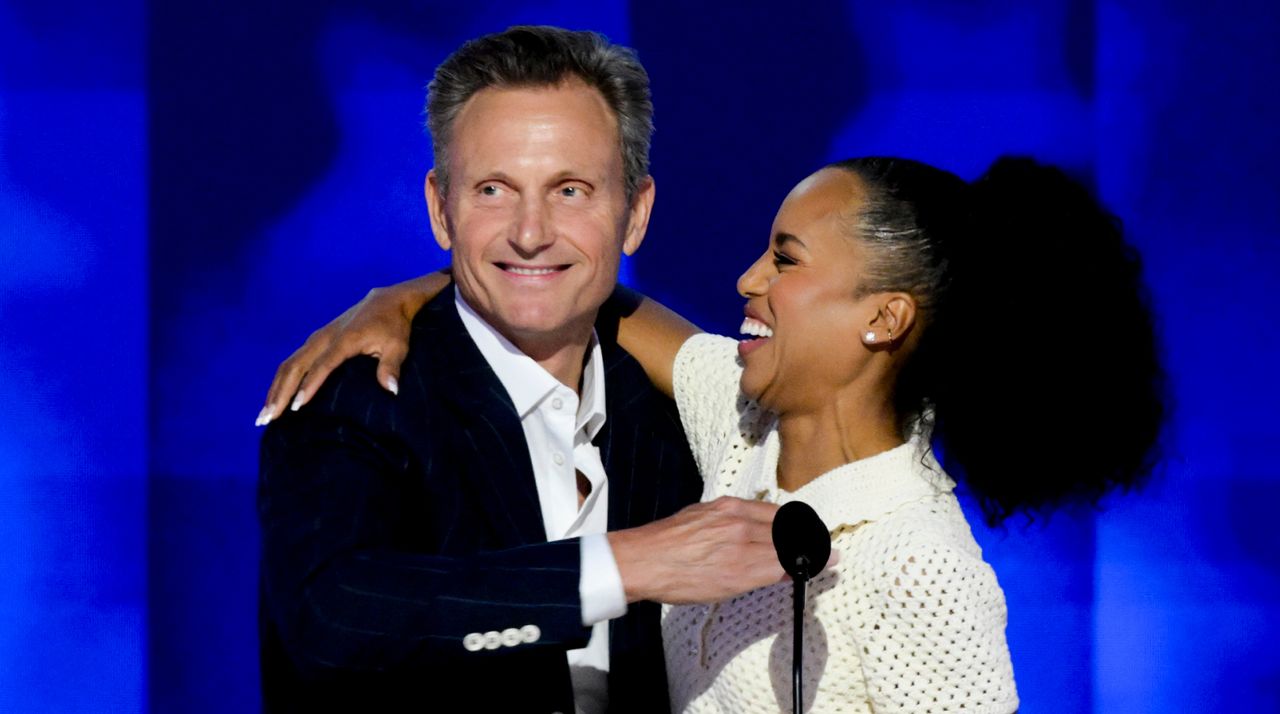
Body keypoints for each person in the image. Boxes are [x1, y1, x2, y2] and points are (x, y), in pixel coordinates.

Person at [263, 155, 1165, 712]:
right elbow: (580, 290)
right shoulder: (734, 414)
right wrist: (403, 299)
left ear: (884, 318)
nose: (745, 279)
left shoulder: (921, 564)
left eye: (785, 258)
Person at [257, 26, 797, 714]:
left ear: (634, 214)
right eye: (492, 190)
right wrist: (621, 565)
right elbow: (333, 617)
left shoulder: (681, 409)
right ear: (440, 209)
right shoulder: (356, 394)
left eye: (570, 190)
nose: (531, 230)